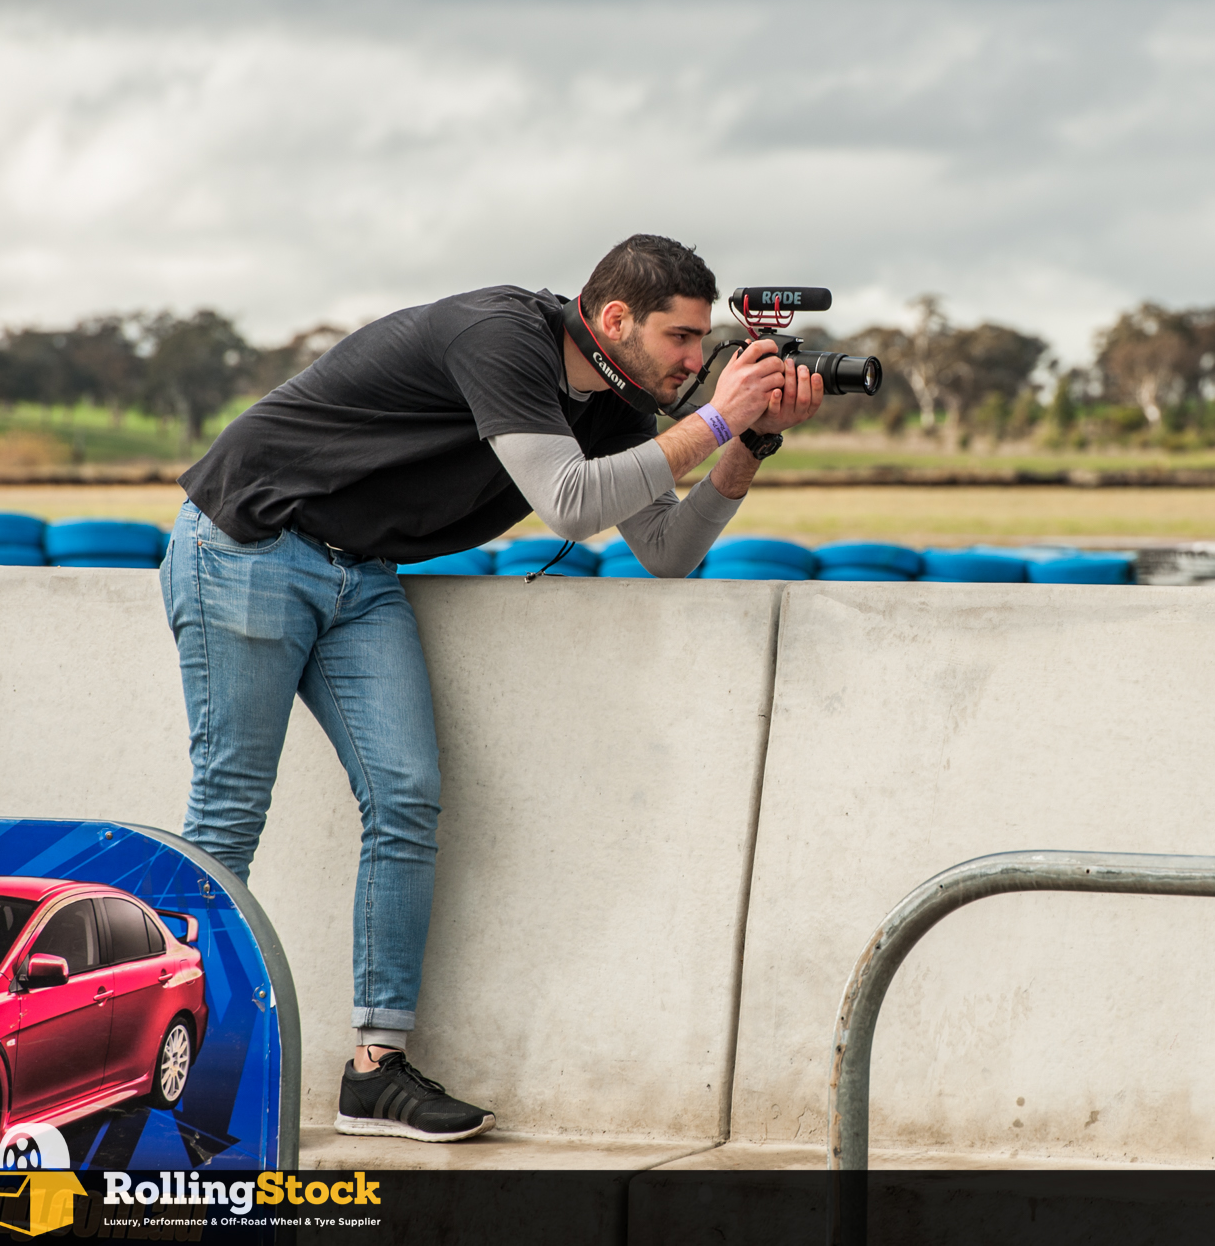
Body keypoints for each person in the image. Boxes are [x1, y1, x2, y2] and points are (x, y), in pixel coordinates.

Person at [162, 234, 819, 1142]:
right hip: (248, 541)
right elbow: (571, 503)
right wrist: (710, 421)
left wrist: (749, 440)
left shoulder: (617, 406)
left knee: (407, 799)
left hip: (359, 569)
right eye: (680, 337)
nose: (697, 361)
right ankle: (167, 1070)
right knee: (231, 810)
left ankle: (375, 1072)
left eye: (705, 342)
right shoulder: (502, 335)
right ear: (615, 317)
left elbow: (669, 552)